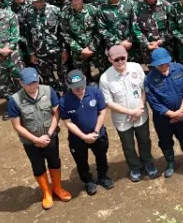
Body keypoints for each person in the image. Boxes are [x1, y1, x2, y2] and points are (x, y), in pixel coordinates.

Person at [7, 67, 72, 210]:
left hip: (50, 137)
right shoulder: (15, 100)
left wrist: (48, 134)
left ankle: (57, 188)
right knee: (38, 167)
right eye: (28, 83)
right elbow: (17, 126)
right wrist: (36, 140)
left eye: (34, 82)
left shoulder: (48, 91)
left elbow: (56, 113)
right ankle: (47, 193)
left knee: (55, 162)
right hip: (31, 143)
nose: (32, 86)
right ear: (21, 83)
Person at [99, 44, 156, 182]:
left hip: (140, 113)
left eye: (122, 58)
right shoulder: (105, 78)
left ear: (127, 56)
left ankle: (147, 162)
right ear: (110, 60)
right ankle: (135, 167)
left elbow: (144, 89)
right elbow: (108, 102)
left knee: (144, 140)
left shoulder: (136, 67)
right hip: (122, 119)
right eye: (116, 59)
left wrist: (140, 108)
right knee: (128, 145)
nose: (120, 62)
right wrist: (130, 111)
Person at [145, 47, 183, 176]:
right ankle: (170, 162)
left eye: (165, 62)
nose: (163, 66)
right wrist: (172, 114)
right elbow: (154, 102)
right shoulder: (149, 79)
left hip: (182, 112)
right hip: (163, 118)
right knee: (165, 140)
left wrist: (182, 108)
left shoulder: (179, 68)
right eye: (159, 64)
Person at [59, 69, 113, 195]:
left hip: (97, 134)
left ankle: (103, 176)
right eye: (75, 87)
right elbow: (68, 122)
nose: (79, 89)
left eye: (81, 85)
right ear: (68, 86)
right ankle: (88, 181)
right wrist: (84, 136)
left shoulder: (94, 92)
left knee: (101, 156)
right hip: (77, 138)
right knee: (81, 161)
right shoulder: (64, 101)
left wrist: (95, 132)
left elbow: (102, 111)